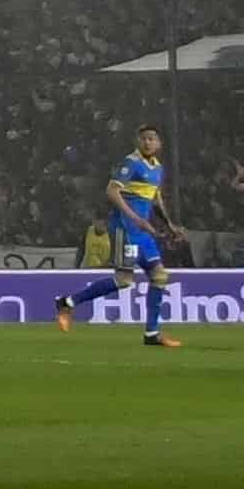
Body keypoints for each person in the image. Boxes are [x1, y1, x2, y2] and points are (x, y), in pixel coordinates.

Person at [103, 128, 175, 351]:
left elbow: (155, 200)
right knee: (123, 280)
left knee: (160, 276)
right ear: (138, 141)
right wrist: (136, 219)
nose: (147, 142)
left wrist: (169, 224)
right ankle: (68, 303)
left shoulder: (157, 168)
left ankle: (152, 333)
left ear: (159, 144)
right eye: (144, 138)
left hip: (142, 234)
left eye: (151, 139)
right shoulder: (131, 163)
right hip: (126, 230)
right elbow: (111, 191)